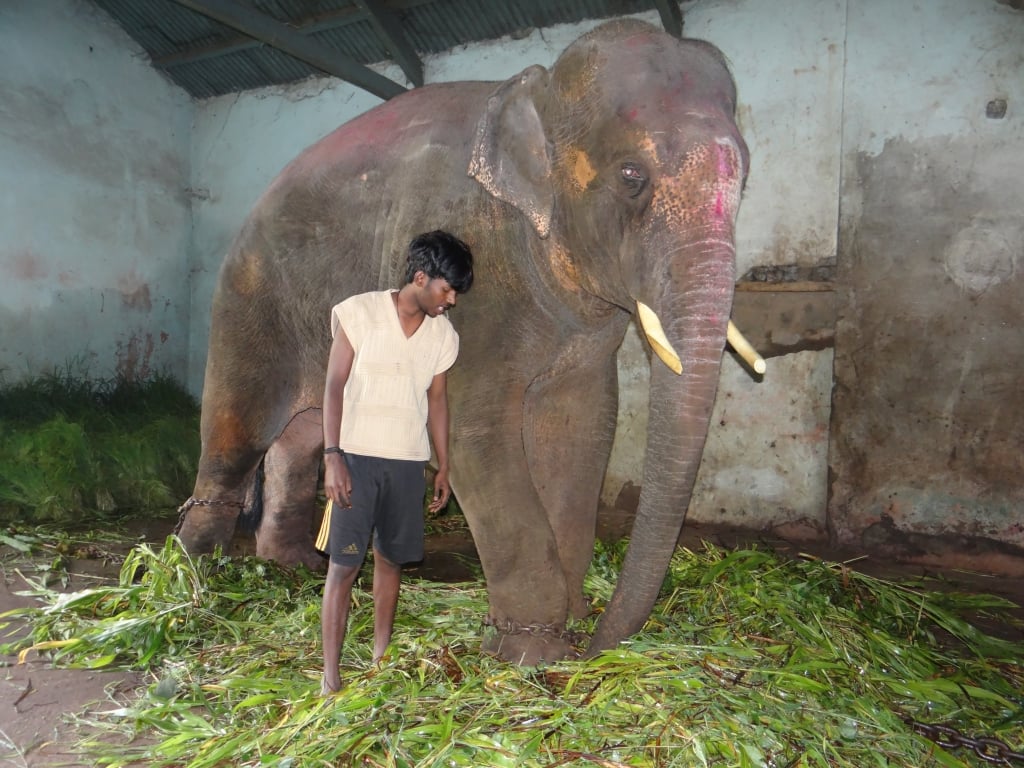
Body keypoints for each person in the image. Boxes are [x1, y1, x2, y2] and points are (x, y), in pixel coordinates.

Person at [316, 230, 474, 694]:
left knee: (389, 563)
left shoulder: (443, 336)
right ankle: (330, 678)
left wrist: (443, 465)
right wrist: (332, 457)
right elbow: (333, 386)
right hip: (355, 460)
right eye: (446, 289)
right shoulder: (358, 313)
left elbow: (438, 401)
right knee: (343, 567)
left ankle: (380, 661)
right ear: (420, 277)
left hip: (407, 464)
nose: (451, 300)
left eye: (455, 293)